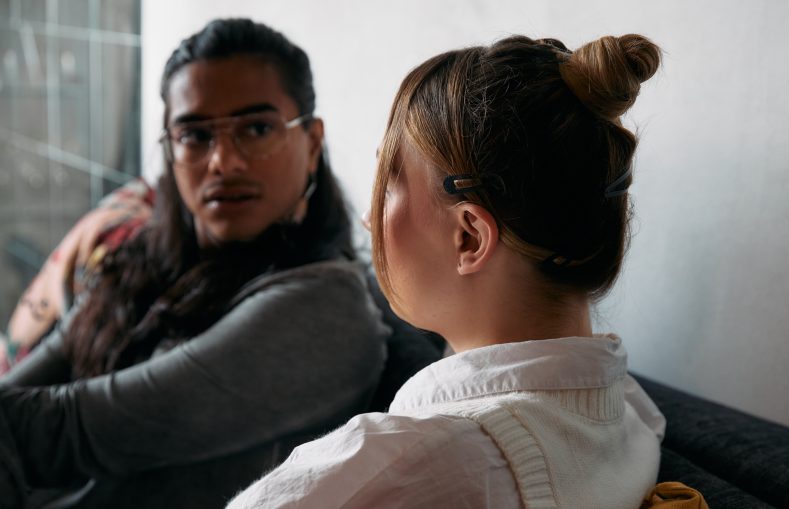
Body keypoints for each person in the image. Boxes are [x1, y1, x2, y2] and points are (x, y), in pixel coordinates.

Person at [228, 33, 668, 508]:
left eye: (387, 187)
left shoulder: (416, 464)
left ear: (469, 237)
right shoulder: (630, 413)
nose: (367, 218)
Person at [0, 18, 397, 508]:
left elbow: (69, 433)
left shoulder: (325, 305)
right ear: (170, 148)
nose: (223, 162)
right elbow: (27, 388)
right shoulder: (143, 257)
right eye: (195, 135)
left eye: (256, 129)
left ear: (312, 143)